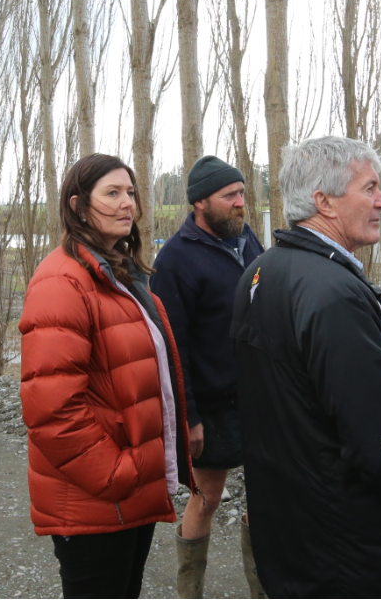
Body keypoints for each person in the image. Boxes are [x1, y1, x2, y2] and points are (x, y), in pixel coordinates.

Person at [231, 136, 381, 598]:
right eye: (370, 188)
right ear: (324, 202)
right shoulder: (334, 294)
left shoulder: (261, 272)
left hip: (292, 533)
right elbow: (380, 443)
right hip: (351, 555)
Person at [18, 154, 193, 599]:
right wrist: (119, 473)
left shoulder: (119, 273)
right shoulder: (62, 281)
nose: (126, 204)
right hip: (96, 495)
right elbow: (52, 412)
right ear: (78, 206)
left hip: (128, 490)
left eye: (130, 193)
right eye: (112, 194)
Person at [150, 156, 265, 598]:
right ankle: (189, 590)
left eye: (241, 194)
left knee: (266, 500)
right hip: (212, 407)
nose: (240, 204)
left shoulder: (248, 240)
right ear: (201, 202)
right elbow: (170, 348)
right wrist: (189, 417)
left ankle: (263, 588)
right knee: (207, 499)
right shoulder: (175, 260)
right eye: (229, 196)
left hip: (260, 398)